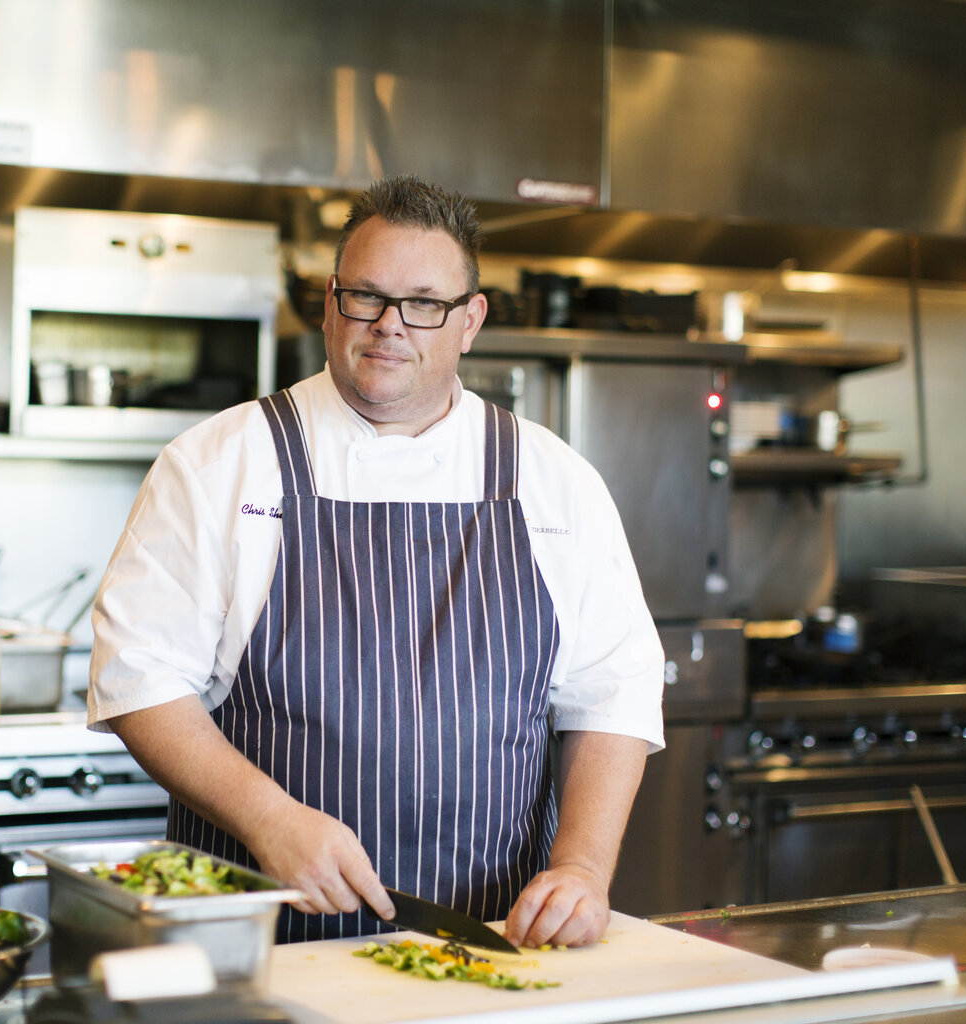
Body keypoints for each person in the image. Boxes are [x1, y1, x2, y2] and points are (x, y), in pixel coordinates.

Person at [87, 174, 664, 949]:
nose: (391, 325)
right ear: (331, 303)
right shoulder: (219, 463)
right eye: (366, 296)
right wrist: (270, 818)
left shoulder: (553, 481)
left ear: (469, 321)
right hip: (262, 941)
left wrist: (583, 869)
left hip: (489, 944)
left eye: (424, 303)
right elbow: (141, 680)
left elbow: (612, 697)